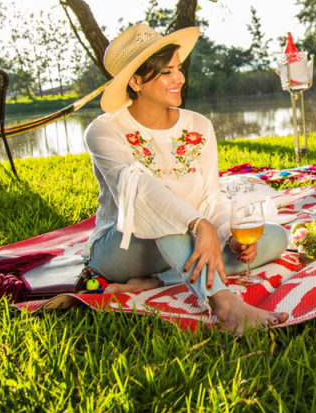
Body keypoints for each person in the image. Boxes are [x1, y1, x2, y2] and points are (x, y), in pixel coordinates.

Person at [80, 23, 289, 333]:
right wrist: (198, 224)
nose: (180, 77)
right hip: (124, 248)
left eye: (178, 68)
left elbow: (210, 195)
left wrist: (226, 233)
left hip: (191, 241)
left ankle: (157, 280)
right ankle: (225, 303)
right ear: (136, 81)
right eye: (167, 71)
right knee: (162, 211)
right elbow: (141, 193)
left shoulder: (199, 125)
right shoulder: (104, 129)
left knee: (274, 238)